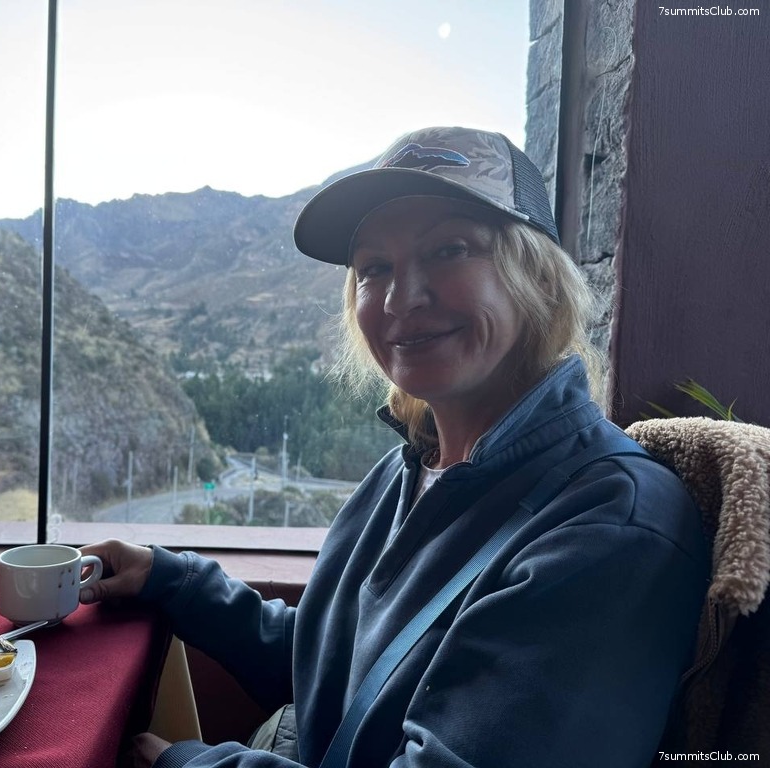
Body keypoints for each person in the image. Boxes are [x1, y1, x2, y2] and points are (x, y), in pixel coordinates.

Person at [78, 126, 710, 768]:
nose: (401, 298)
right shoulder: (404, 472)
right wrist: (173, 580)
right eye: (374, 268)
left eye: (449, 249)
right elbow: (336, 669)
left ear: (538, 280)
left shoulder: (609, 527)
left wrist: (184, 765)